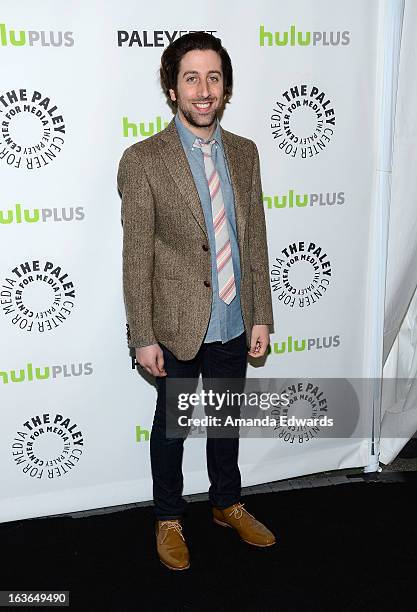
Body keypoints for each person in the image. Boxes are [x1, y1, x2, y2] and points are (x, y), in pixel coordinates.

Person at [117, 31, 276, 571]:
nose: (204, 90)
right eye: (191, 78)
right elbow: (136, 256)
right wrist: (142, 334)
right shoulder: (143, 160)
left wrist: (260, 314)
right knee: (173, 425)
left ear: (225, 87)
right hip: (177, 325)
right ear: (171, 88)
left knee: (227, 419)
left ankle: (226, 502)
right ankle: (167, 515)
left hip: (234, 319)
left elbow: (253, 238)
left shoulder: (246, 153)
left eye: (213, 77)